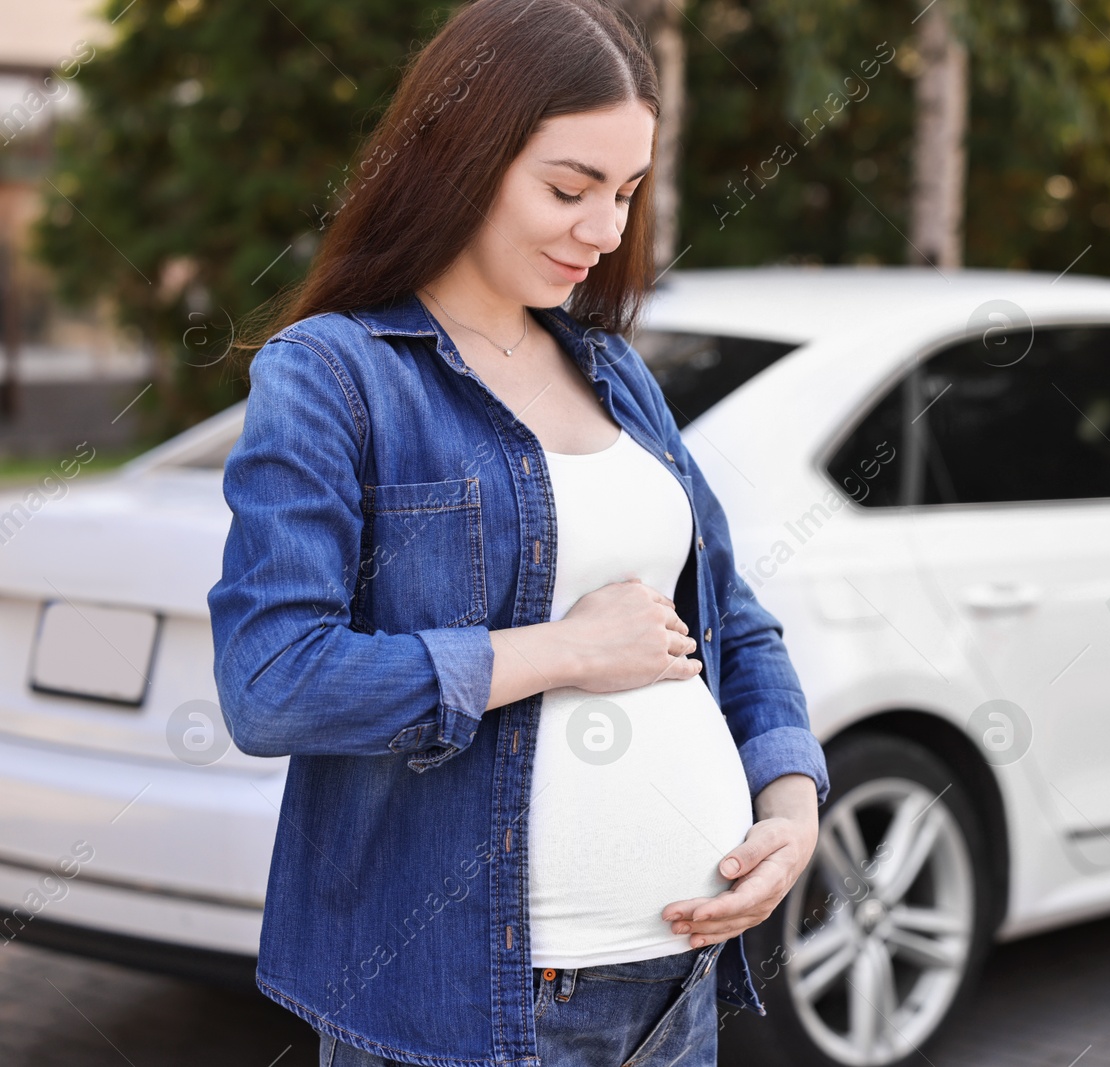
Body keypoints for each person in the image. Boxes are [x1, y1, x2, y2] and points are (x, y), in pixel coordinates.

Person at [206, 2, 829, 1064]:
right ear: (458, 155)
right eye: (569, 187)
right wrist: (564, 651)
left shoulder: (614, 373)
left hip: (674, 982)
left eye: (626, 192)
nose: (606, 230)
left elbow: (737, 622)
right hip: (474, 1007)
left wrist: (791, 804)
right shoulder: (333, 374)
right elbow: (272, 681)